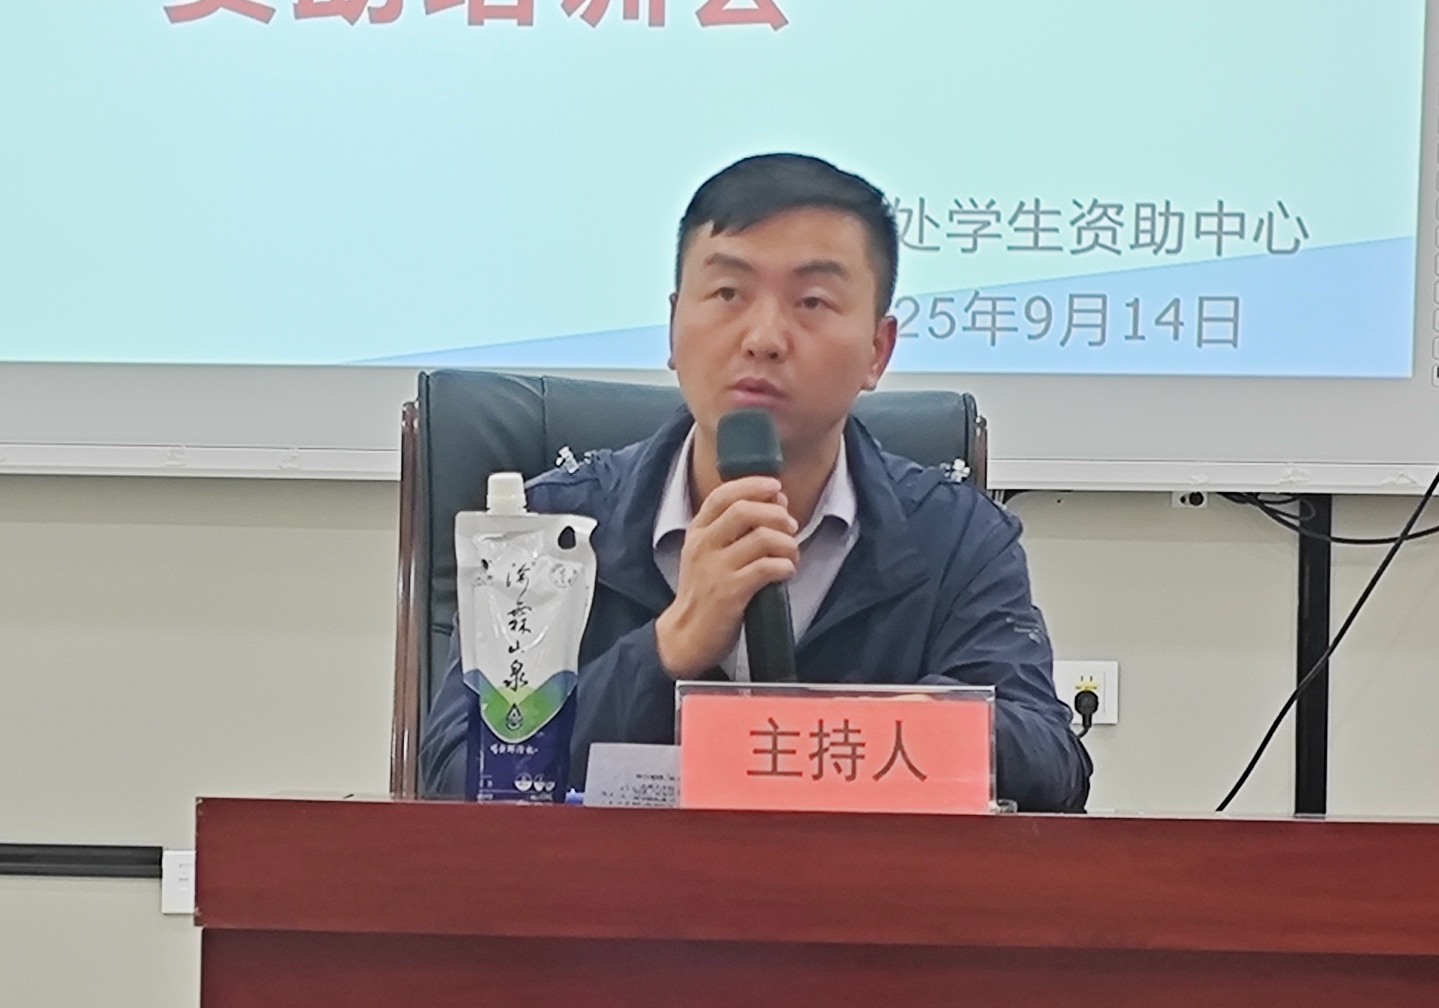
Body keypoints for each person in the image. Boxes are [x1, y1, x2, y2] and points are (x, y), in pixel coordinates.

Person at [422, 152, 1089, 812]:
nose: (764, 337)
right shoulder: (550, 528)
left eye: (813, 302)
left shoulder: (957, 538)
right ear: (674, 328)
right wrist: (667, 647)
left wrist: (902, 728)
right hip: (619, 885)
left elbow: (1053, 764)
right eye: (727, 294)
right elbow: (453, 776)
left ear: (878, 351)